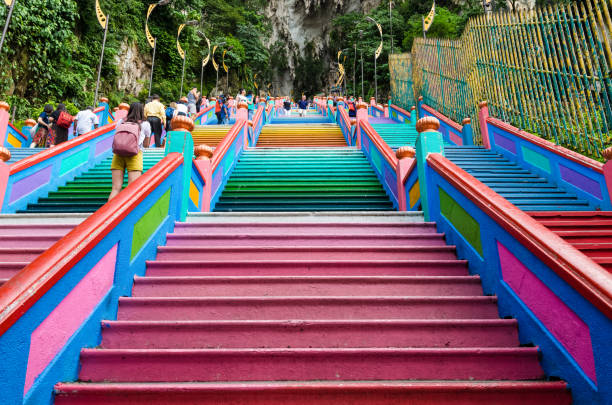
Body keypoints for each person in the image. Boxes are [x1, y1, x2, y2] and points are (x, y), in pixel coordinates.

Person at [108, 102, 151, 201]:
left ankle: (110, 215)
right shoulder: (145, 124)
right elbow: (146, 145)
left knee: (115, 188)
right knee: (131, 189)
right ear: (142, 110)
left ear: (130, 110)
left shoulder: (121, 122)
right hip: (135, 155)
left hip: (118, 155)